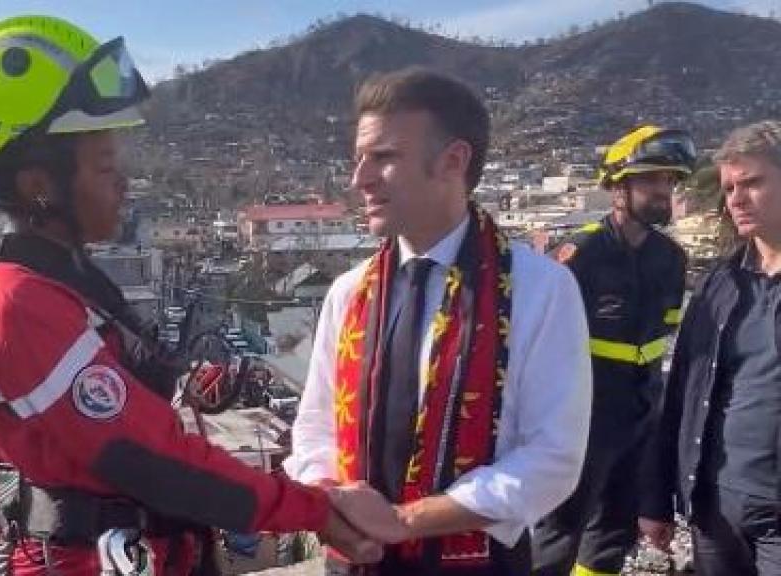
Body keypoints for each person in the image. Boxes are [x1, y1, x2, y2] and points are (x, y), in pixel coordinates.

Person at [0, 15, 380, 576]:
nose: (122, 182)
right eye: (104, 165)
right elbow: (150, 458)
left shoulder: (60, 280)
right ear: (39, 185)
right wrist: (314, 510)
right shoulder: (14, 304)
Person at [284, 67, 592, 575]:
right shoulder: (350, 292)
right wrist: (333, 502)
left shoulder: (540, 289)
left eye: (383, 157)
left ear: (453, 160)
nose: (359, 178)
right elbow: (316, 430)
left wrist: (407, 521)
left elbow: (552, 459)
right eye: (359, 158)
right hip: (355, 559)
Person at [531, 125, 695, 576]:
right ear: (618, 188)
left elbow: (665, 339)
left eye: (670, 181)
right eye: (653, 180)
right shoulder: (579, 254)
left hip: (640, 414)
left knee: (613, 533)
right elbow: (537, 344)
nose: (665, 191)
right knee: (561, 529)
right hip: (582, 415)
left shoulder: (672, 260)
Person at [640, 120, 781, 576]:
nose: (736, 199)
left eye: (753, 182)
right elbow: (681, 391)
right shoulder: (720, 285)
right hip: (713, 510)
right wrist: (657, 498)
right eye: (729, 187)